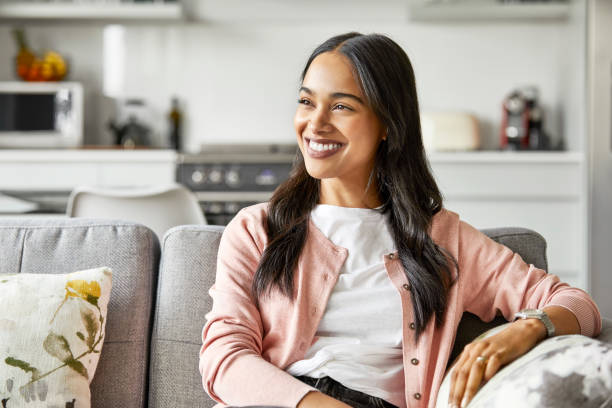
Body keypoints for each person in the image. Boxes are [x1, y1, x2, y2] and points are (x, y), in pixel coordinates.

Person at [199, 32, 602, 408]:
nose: (315, 124)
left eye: (341, 106)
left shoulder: (444, 241)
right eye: (306, 101)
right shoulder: (257, 230)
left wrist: (526, 330)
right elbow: (223, 356)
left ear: (388, 125)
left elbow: (579, 305)